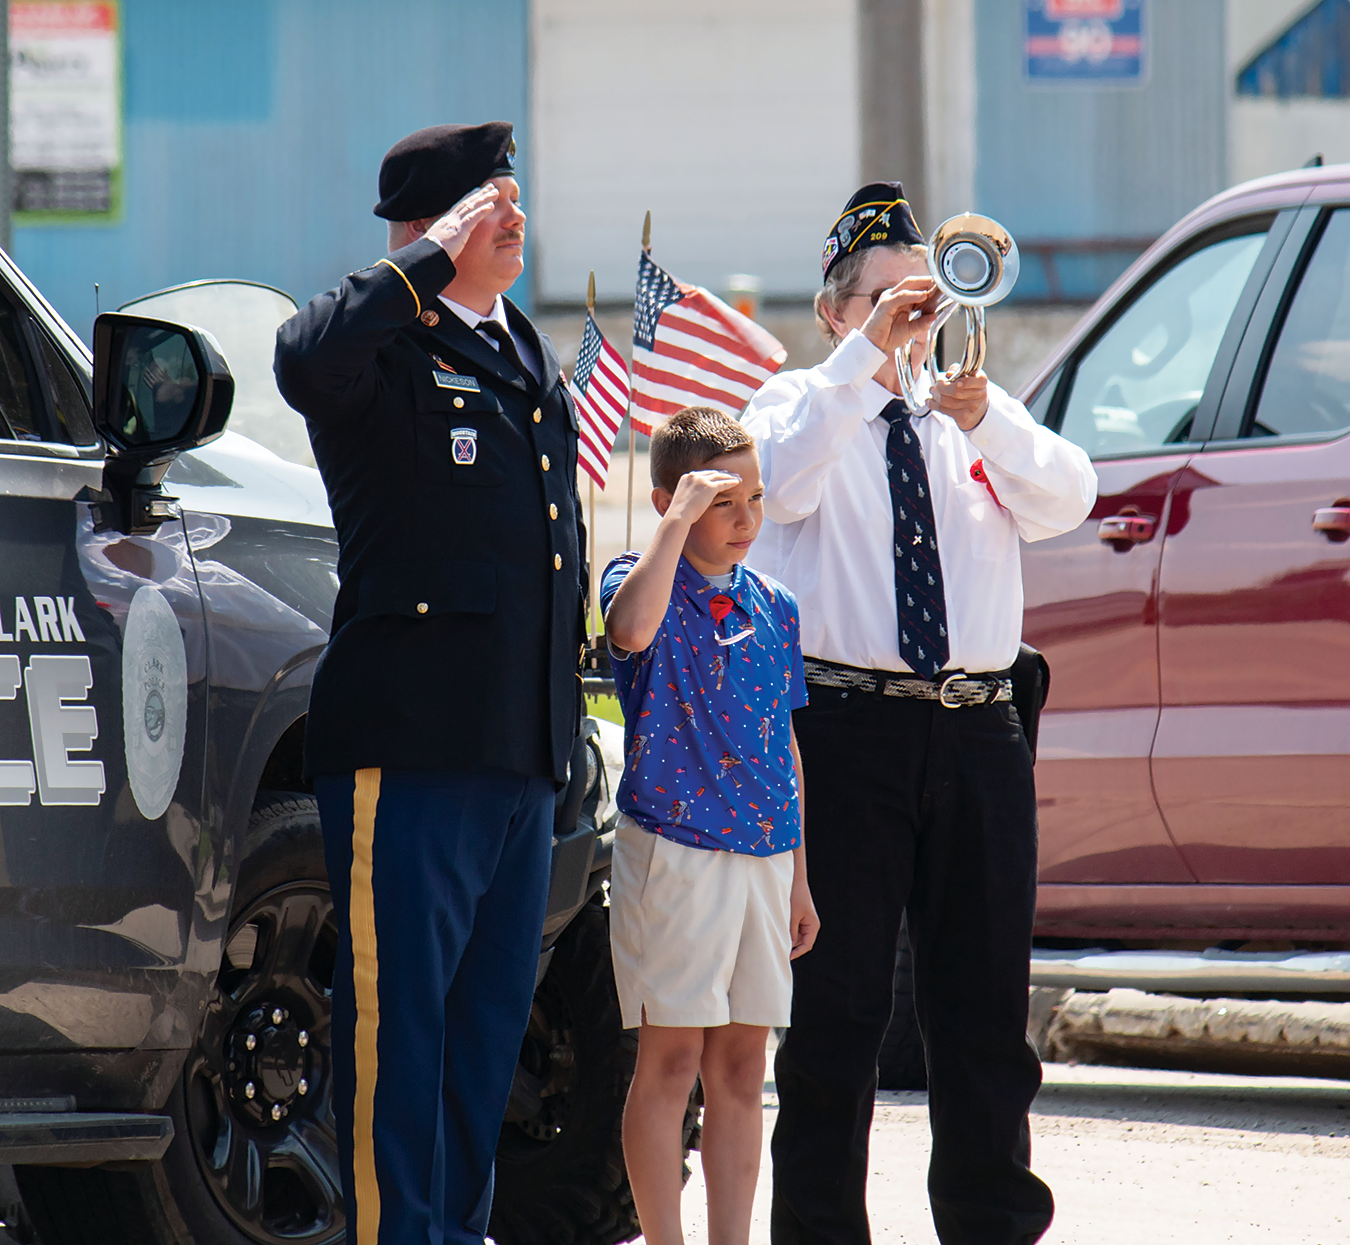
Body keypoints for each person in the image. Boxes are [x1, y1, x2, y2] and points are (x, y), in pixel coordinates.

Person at [741, 183, 1098, 1245]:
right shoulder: (800, 401)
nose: (914, 318)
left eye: (926, 297)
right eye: (890, 298)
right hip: (849, 732)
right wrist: (863, 370)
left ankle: (992, 1225)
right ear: (835, 310)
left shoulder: (968, 411)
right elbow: (777, 479)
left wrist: (989, 416)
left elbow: (1067, 496)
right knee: (839, 1011)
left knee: (984, 1009)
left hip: (980, 729)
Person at [273, 122, 585, 1245]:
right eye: (485, 205)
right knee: (396, 1032)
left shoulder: (524, 354)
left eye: (513, 199)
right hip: (411, 752)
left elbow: (550, 557)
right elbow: (304, 358)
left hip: (516, 754)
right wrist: (420, 264)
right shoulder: (382, 351)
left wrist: (564, 741)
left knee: (484, 1035)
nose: (513, 220)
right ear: (431, 225)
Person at [600, 406, 820, 1245]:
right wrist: (676, 522)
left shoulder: (777, 605)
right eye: (724, 503)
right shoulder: (642, 573)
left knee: (740, 1065)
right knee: (671, 1061)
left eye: (755, 500)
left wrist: (799, 874)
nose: (746, 521)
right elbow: (628, 629)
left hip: (764, 855)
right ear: (672, 502)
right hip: (677, 853)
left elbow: (784, 739)